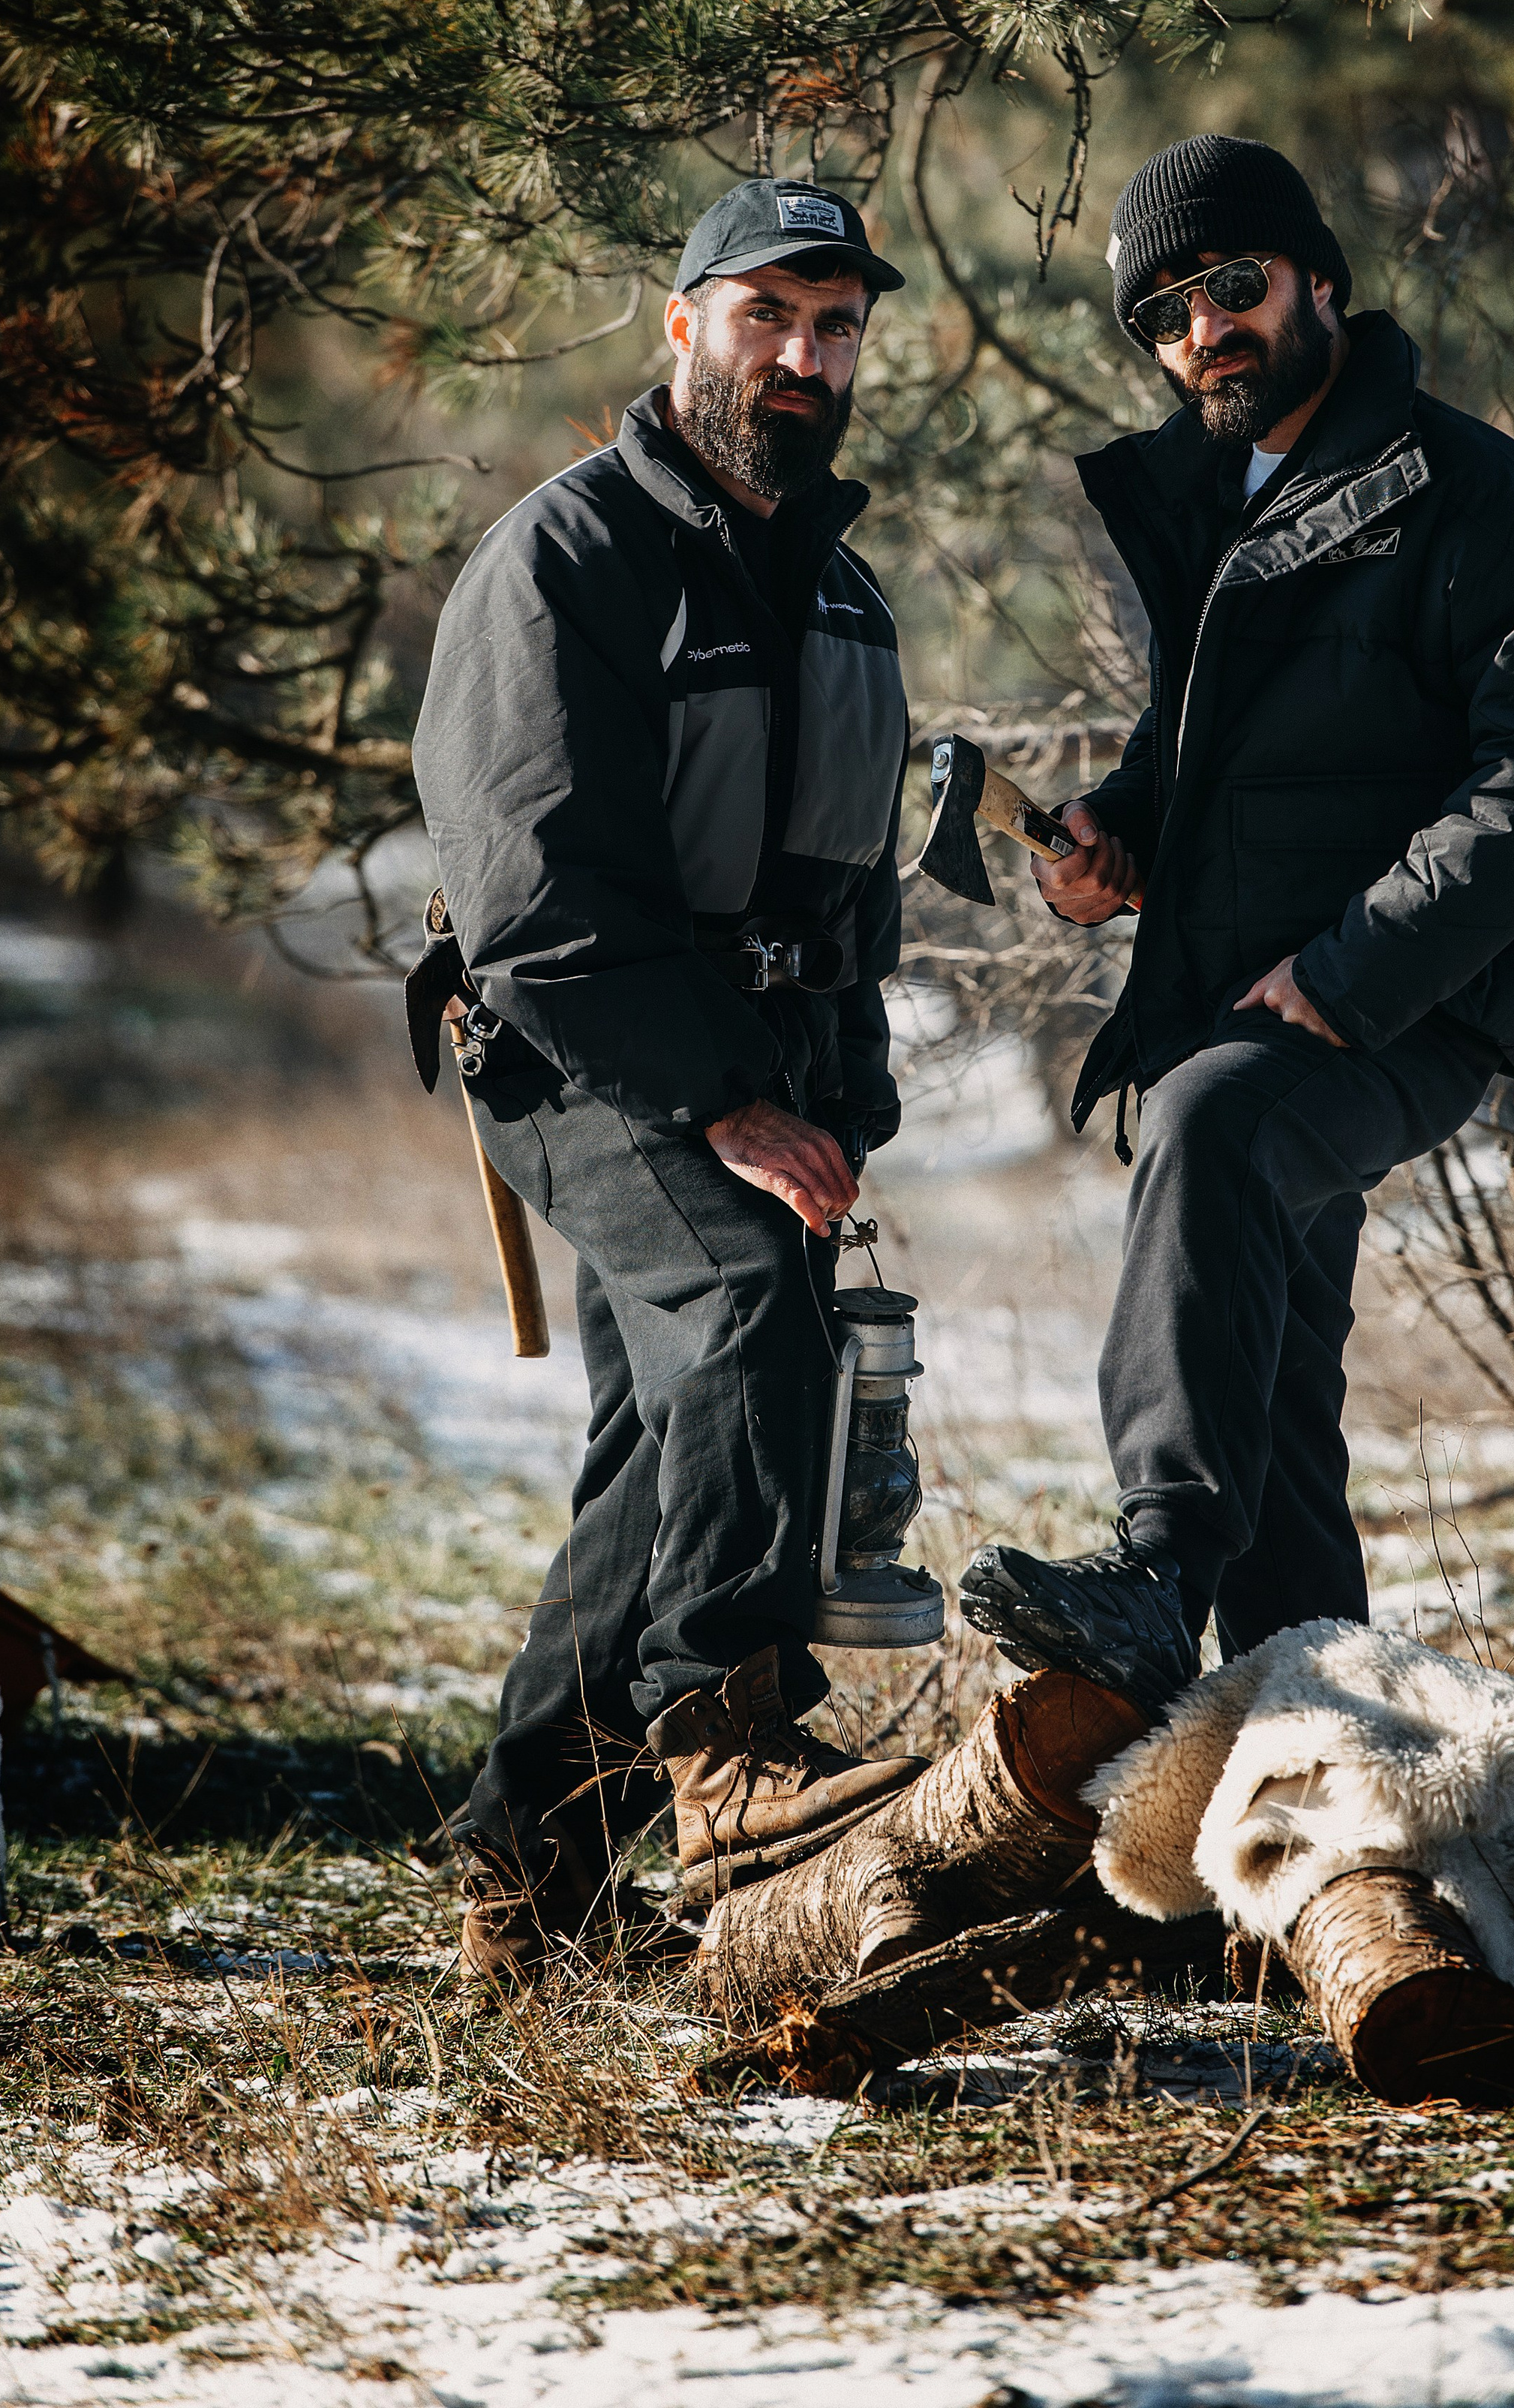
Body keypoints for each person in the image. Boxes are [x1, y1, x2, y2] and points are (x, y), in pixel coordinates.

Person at [960, 134, 1514, 1716]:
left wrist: (1354, 972)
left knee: (1201, 1129)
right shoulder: (1232, 498)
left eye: (1228, 284)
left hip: (1400, 1002)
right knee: (1268, 1392)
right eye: (1160, 311)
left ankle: (1150, 1577)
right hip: (1249, 984)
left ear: (1316, 281)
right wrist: (1117, 834)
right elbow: (1206, 754)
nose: (1198, 327)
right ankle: (1319, 1757)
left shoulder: (1483, 498)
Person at [410, 179, 925, 1980]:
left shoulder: (845, 597)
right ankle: (721, 1734)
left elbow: (848, 893)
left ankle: (524, 1871)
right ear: (681, 322)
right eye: (769, 312)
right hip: (575, 1044)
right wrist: (724, 1096)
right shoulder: (565, 562)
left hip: (756, 1065)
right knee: (738, 1307)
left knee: (658, 1445)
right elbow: (536, 902)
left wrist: (839, 1090)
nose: (804, 353)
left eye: (837, 323)